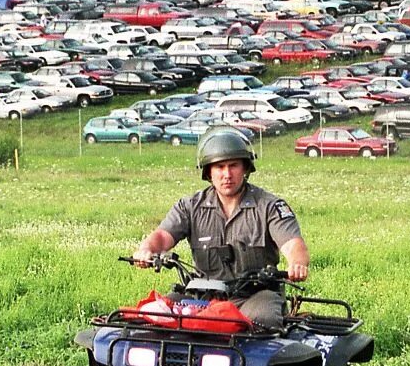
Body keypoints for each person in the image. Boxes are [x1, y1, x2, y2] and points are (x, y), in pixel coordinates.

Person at [133, 128, 310, 329]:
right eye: (219, 166)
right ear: (208, 171)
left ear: (245, 168)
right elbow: (163, 236)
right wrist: (147, 249)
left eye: (233, 165)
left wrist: (297, 264)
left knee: (261, 321)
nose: (227, 174)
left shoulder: (269, 206)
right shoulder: (190, 206)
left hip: (253, 296)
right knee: (156, 316)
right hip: (202, 296)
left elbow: (293, 244)